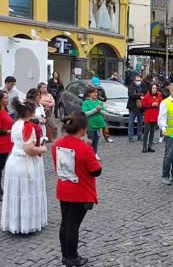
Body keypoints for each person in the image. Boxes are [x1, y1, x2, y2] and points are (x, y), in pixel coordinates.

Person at [52, 111, 102, 267]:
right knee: (73, 226)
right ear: (82, 129)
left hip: (64, 188)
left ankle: (65, 255)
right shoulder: (86, 149)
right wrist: (89, 152)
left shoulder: (57, 143)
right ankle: (72, 257)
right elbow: (96, 171)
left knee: (65, 224)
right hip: (80, 192)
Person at [1, 98, 48, 234]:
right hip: (25, 161)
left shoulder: (16, 124)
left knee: (17, 192)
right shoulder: (29, 127)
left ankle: (16, 223)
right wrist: (42, 149)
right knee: (27, 191)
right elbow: (29, 149)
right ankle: (26, 225)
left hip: (14, 161)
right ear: (30, 111)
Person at [81, 86, 106, 160]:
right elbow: (85, 113)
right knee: (91, 140)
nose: (96, 93)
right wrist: (95, 110)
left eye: (96, 92)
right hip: (90, 125)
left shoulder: (99, 102)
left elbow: (104, 113)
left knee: (96, 140)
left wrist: (100, 110)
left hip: (98, 125)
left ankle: (95, 153)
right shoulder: (86, 102)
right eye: (94, 92)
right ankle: (89, 154)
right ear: (89, 94)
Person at [141, 83, 162, 153]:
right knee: (146, 132)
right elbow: (143, 105)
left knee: (152, 132)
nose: (154, 89)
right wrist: (151, 105)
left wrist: (157, 104)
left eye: (155, 88)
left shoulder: (159, 95)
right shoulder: (147, 96)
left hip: (155, 116)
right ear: (151, 89)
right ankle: (144, 147)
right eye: (153, 88)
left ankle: (150, 146)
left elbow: (161, 104)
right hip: (148, 116)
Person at [0, 91, 13, 200]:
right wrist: (10, 131)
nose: (8, 99)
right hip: (1, 144)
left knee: (1, 167)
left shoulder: (6, 110)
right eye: (5, 98)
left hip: (6, 144)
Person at [127, 75, 145, 142]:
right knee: (131, 122)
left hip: (140, 107)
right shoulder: (131, 86)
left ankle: (139, 136)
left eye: (139, 80)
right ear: (134, 80)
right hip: (133, 107)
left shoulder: (142, 86)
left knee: (140, 122)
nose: (138, 81)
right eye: (137, 80)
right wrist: (139, 95)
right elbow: (131, 95)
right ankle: (130, 137)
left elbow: (146, 92)